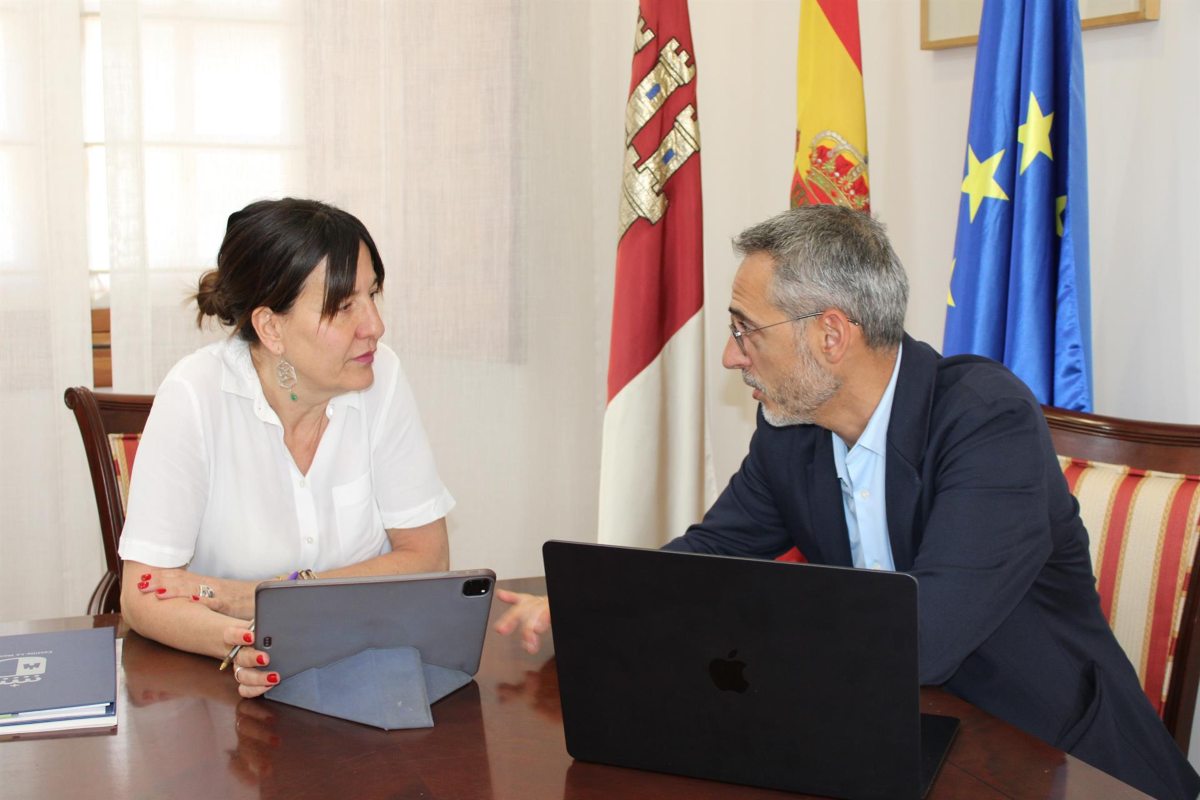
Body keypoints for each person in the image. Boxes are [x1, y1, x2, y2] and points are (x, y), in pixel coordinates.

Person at [497, 205, 1200, 800]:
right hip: (894, 741)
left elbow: (925, 638)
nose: (730, 357)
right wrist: (594, 607)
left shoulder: (985, 420)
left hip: (1053, 757)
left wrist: (752, 627)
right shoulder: (792, 436)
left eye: (746, 329)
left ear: (831, 335)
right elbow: (709, 558)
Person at [119, 198, 455, 698]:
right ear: (271, 327)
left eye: (372, 295)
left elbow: (427, 557)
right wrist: (243, 640)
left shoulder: (382, 376)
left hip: (365, 670)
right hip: (225, 701)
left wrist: (253, 596)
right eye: (344, 307)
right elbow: (143, 595)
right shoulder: (195, 394)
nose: (375, 327)